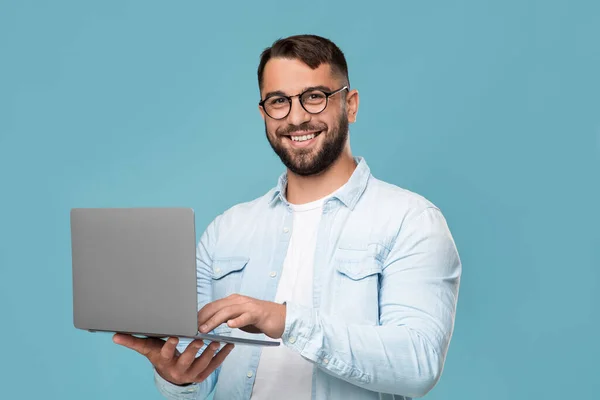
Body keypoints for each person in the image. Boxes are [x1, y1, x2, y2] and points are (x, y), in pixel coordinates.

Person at [113, 34, 462, 400]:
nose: (296, 118)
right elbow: (200, 377)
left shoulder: (411, 220)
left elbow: (419, 364)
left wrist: (285, 320)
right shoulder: (226, 230)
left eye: (314, 97)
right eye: (279, 102)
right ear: (264, 113)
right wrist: (177, 377)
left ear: (351, 105)